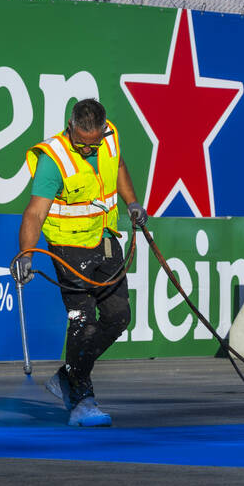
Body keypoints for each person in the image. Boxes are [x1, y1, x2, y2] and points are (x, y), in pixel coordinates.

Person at [12, 98, 148, 427]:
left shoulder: (109, 138)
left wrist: (132, 203)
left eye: (93, 144)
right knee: (82, 321)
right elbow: (35, 211)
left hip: (103, 239)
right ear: (71, 127)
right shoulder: (53, 159)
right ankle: (82, 400)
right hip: (68, 247)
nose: (88, 150)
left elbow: (118, 166)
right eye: (81, 143)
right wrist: (26, 254)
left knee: (119, 317)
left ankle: (67, 376)